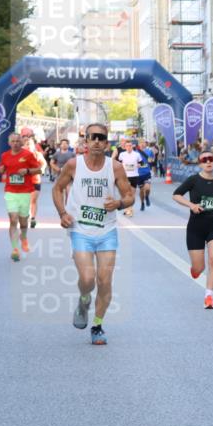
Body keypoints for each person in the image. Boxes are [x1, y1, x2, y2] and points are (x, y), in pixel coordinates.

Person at [52, 123, 134, 345]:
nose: (97, 141)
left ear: (107, 143)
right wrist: (62, 213)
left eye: (101, 137)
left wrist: (118, 202)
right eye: (92, 137)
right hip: (80, 230)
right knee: (88, 279)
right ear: (85, 142)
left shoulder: (115, 167)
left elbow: (129, 196)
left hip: (107, 231)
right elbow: (57, 188)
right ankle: (84, 299)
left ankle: (97, 325)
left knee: (105, 281)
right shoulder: (73, 165)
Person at [172, 151, 213, 309]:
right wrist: (191, 205)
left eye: (211, 159)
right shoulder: (194, 180)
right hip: (195, 228)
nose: (208, 162)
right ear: (200, 164)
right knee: (199, 268)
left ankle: (209, 295)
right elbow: (176, 195)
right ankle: (196, 269)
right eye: (204, 160)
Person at [0, 133, 42, 260]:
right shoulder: (4, 155)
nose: (15, 143)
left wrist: (27, 171)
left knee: (23, 223)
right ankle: (14, 249)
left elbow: (39, 169)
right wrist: (1, 169)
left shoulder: (28, 155)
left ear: (21, 142)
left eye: (18, 141)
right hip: (10, 191)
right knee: (13, 219)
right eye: (13, 141)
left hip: (25, 192)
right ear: (9, 142)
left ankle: (24, 237)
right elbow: (1, 168)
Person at [22, 133, 47, 228]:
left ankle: (32, 218)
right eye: (26, 144)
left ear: (33, 145)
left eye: (30, 144)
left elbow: (44, 164)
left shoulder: (37, 154)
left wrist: (42, 169)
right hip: (23, 181)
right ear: (23, 145)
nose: (28, 146)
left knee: (33, 200)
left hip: (35, 180)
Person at [116, 140, 143, 218]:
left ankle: (130, 209)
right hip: (125, 176)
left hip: (134, 176)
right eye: (127, 146)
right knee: (126, 194)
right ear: (125, 147)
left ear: (132, 146)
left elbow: (141, 163)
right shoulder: (122, 154)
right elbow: (119, 163)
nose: (128, 147)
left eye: (130, 146)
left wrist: (139, 165)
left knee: (132, 194)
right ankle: (128, 209)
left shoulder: (137, 154)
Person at [135, 140, 153, 209]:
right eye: (140, 143)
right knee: (141, 190)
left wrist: (150, 160)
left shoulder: (149, 151)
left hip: (147, 173)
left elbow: (151, 160)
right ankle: (142, 203)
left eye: (143, 143)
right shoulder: (135, 153)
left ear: (145, 144)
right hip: (139, 175)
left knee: (147, 188)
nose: (142, 144)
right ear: (138, 144)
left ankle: (147, 197)